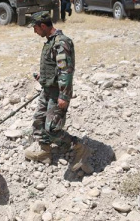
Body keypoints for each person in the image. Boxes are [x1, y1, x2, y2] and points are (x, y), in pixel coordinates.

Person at [25, 11, 93, 175]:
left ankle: (79, 148)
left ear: (43, 26)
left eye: (35, 28)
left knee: (53, 129)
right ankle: (45, 152)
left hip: (58, 93)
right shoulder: (51, 42)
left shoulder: (61, 43)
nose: (34, 32)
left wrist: (64, 95)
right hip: (48, 90)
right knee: (38, 122)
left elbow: (66, 71)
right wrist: (45, 76)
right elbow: (56, 67)